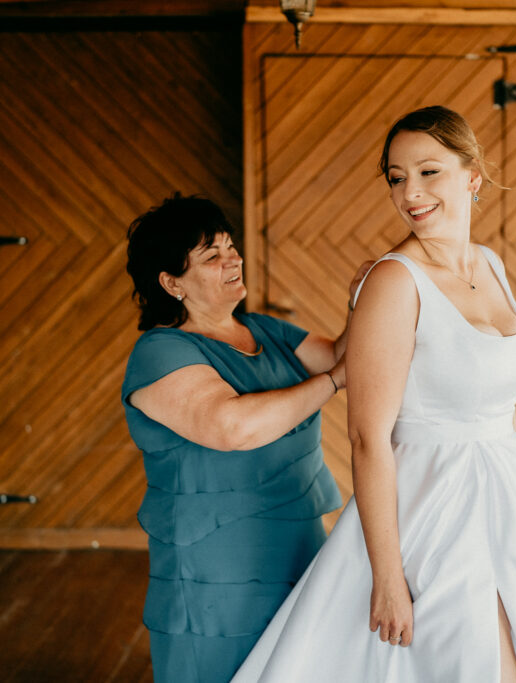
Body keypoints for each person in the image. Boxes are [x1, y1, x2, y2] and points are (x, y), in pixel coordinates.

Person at [232, 106, 516, 682]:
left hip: (514, 499)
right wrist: (388, 578)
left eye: (428, 172)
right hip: (430, 509)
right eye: (396, 177)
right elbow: (367, 437)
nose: (410, 192)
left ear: (473, 177)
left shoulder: (491, 264)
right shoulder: (393, 281)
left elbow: (499, 405)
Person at [121, 194, 369, 683]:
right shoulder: (159, 352)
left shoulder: (263, 330)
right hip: (218, 570)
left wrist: (362, 301)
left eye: (230, 247)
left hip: (296, 541)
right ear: (172, 283)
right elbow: (231, 427)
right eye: (212, 255)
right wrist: (333, 382)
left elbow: (341, 355)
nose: (232, 259)